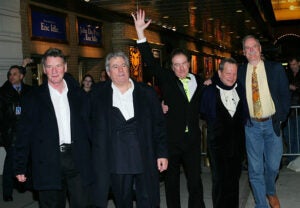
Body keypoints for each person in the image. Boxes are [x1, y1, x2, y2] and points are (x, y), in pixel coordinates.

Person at [132, 9, 206, 208]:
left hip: (192, 141)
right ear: (171, 67)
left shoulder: (198, 82)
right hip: (172, 140)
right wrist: (140, 34)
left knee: (195, 182)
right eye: (176, 65)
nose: (181, 69)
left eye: (183, 64)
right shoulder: (167, 80)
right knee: (172, 182)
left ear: (189, 64)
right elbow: (150, 62)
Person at [13, 48, 93, 208]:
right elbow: (23, 133)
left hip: (77, 158)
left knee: (84, 203)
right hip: (48, 159)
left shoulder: (78, 95)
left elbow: (91, 127)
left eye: (58, 66)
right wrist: (19, 165)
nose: (54, 71)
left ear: (65, 67)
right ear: (44, 70)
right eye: (50, 66)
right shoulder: (33, 98)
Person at [90, 51, 168, 207]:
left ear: (129, 68)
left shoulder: (147, 93)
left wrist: (162, 154)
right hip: (116, 160)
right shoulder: (97, 94)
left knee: (148, 200)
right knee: (122, 201)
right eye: (115, 66)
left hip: (144, 156)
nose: (120, 70)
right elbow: (88, 125)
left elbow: (159, 125)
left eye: (124, 65)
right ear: (108, 72)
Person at [238, 35, 290, 208]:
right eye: (248, 48)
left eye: (254, 47)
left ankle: (270, 190)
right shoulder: (240, 71)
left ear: (260, 49)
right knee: (255, 169)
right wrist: (210, 81)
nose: (251, 50)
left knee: (274, 165)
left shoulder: (275, 69)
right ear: (244, 52)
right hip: (251, 126)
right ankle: (261, 204)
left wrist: (280, 118)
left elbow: (285, 95)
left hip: (271, 124)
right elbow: (223, 78)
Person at [200, 58, 249, 208]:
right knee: (220, 184)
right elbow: (202, 112)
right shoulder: (209, 91)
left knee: (234, 183)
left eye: (234, 73)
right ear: (220, 73)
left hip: (237, 147)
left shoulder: (240, 88)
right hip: (218, 148)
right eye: (228, 73)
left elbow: (245, 115)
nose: (231, 76)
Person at [0, 60, 32, 201]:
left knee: (27, 161)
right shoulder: (5, 92)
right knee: (10, 164)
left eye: (15, 74)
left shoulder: (29, 91)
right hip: (11, 135)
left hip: (26, 133)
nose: (11, 76)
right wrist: (23, 66)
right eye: (9, 74)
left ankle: (24, 185)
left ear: (21, 76)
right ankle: (7, 192)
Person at [283, 57, 300, 162]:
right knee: (288, 134)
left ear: (298, 63)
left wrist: (295, 88)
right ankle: (291, 156)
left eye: (294, 64)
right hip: (288, 109)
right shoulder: (288, 74)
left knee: (297, 134)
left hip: (298, 109)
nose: (293, 67)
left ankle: (295, 158)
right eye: (291, 65)